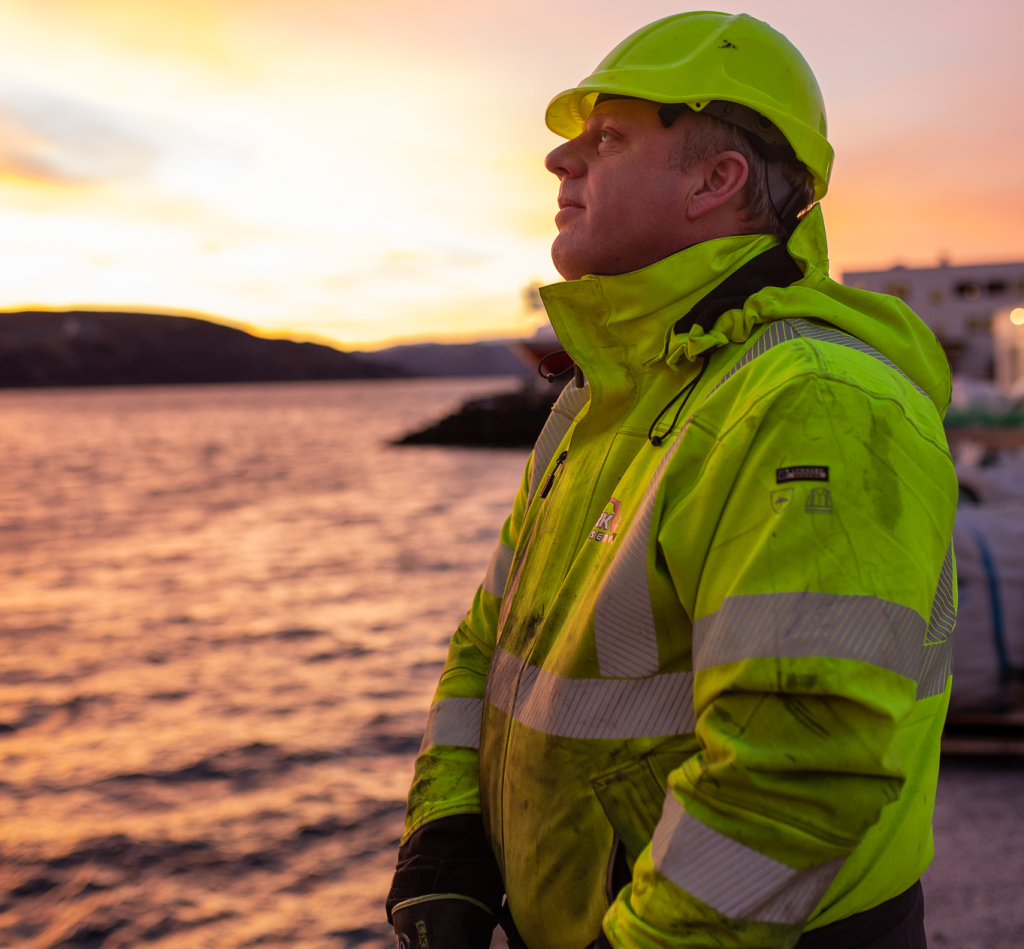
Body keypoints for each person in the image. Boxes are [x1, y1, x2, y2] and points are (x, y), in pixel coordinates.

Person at [386, 11, 956, 949]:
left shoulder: (812, 400)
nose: (560, 163)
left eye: (607, 137)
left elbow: (798, 769)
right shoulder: (601, 400)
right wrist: (446, 838)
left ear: (715, 182)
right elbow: (492, 639)